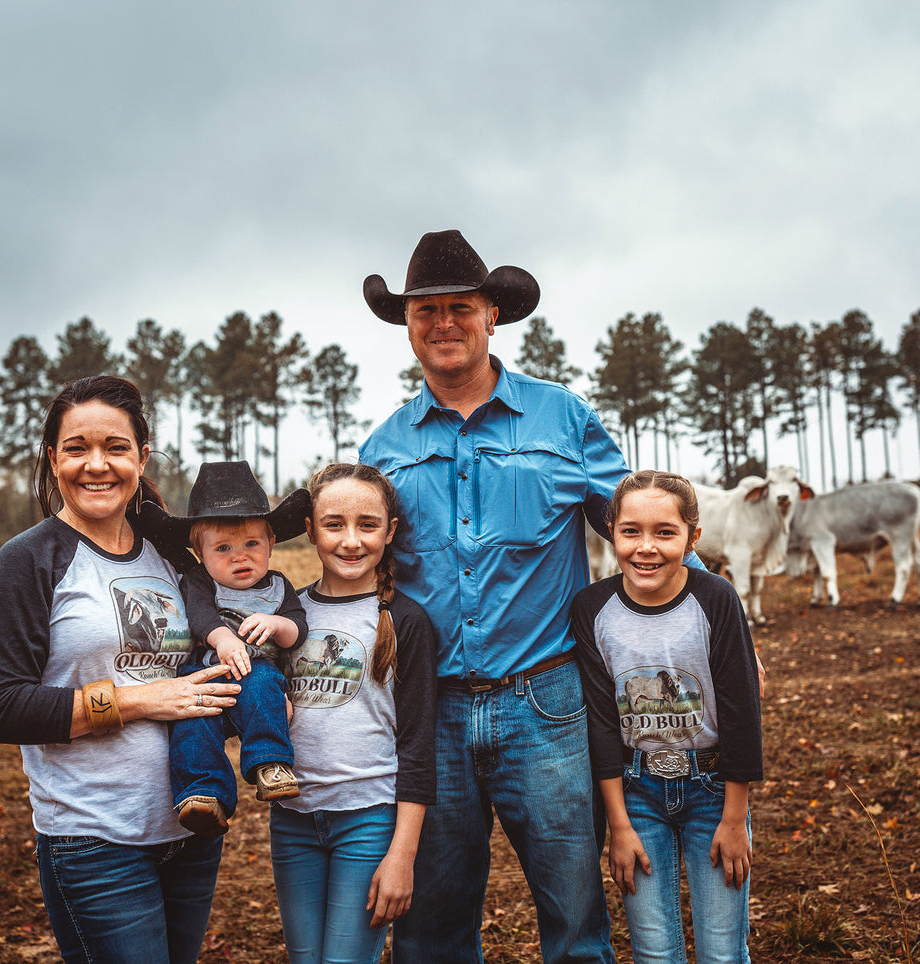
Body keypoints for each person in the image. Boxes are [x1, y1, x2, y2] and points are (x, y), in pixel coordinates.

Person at [358, 229, 626, 963]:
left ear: (491, 315)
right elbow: (361, 577)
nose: (443, 323)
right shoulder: (383, 448)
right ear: (406, 324)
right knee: (430, 929)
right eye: (426, 310)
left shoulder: (562, 417)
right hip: (429, 709)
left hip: (547, 703)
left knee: (575, 918)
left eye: (460, 307)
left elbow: (640, 528)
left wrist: (715, 629)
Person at [0, 374, 242, 964]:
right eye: (77, 448)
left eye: (116, 448)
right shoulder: (29, 559)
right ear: (53, 459)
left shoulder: (172, 557)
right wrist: (140, 700)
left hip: (191, 830)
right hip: (94, 841)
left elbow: (202, 663)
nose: (97, 465)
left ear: (141, 458)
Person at [572, 471, 764, 964]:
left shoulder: (716, 598)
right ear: (610, 531)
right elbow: (601, 723)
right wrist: (618, 825)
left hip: (713, 791)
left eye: (665, 532)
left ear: (692, 537)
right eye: (630, 531)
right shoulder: (592, 608)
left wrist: (735, 819)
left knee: (722, 950)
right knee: (654, 950)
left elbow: (742, 713)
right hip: (636, 795)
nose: (646, 547)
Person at [270, 462, 437, 964]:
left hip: (369, 821)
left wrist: (402, 854)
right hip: (292, 819)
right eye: (333, 524)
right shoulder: (288, 616)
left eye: (367, 525)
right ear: (310, 530)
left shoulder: (406, 621)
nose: (350, 541)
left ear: (390, 530)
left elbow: (418, 745)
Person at [162, 460, 313, 839]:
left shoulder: (279, 586)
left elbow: (297, 631)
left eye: (251, 544)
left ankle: (270, 764)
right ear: (201, 553)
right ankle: (203, 791)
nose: (239, 556)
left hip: (256, 670)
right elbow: (198, 615)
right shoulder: (200, 581)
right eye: (223, 548)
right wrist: (223, 638)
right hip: (208, 671)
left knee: (266, 690)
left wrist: (276, 624)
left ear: (271, 543)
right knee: (193, 718)